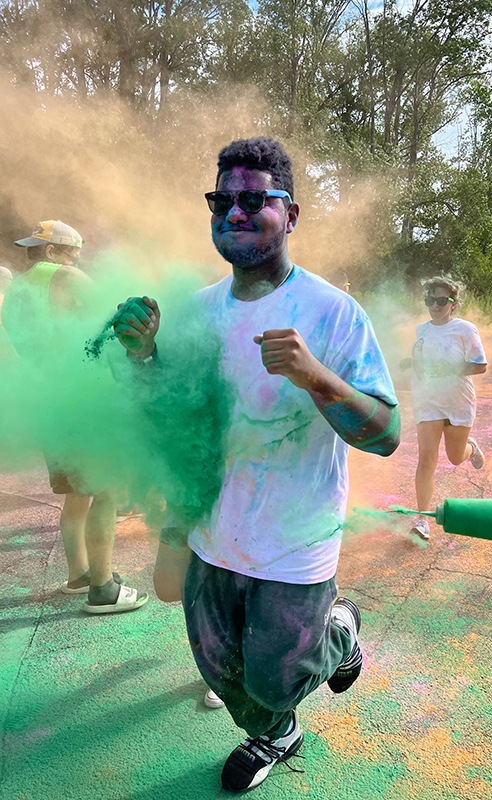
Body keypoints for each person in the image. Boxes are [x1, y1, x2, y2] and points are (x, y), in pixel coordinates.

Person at [115, 137, 400, 792]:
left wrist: (315, 376)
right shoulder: (196, 312)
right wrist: (143, 361)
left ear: (290, 214)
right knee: (220, 671)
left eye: (254, 199)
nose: (235, 212)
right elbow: (178, 423)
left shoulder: (332, 312)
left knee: (276, 675)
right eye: (222, 200)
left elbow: (384, 434)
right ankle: (277, 734)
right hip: (213, 533)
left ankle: (339, 633)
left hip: (295, 542)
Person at [2, 220, 148, 614]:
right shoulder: (65, 277)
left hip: (50, 402)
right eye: (72, 254)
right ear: (53, 251)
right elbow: (113, 316)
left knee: (76, 491)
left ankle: (79, 574)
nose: (75, 262)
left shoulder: (17, 287)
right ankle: (103, 588)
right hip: (83, 399)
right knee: (107, 489)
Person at [401, 277, 487, 540]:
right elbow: (423, 364)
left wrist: (449, 369)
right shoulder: (421, 331)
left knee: (454, 456)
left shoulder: (465, 329)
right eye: (430, 300)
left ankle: (471, 448)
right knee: (426, 459)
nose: (435, 306)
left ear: (453, 303)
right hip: (428, 401)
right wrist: (409, 363)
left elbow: (480, 365)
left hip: (458, 401)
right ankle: (422, 520)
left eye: (441, 300)